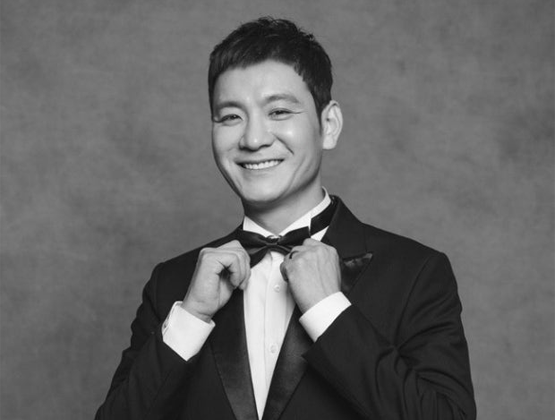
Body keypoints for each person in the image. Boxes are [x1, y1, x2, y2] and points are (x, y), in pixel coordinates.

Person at [95, 17, 476, 420]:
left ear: (328, 126)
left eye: (278, 111)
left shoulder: (416, 273)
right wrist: (191, 318)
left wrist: (329, 311)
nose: (253, 139)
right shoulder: (172, 285)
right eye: (230, 117)